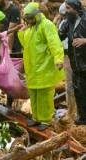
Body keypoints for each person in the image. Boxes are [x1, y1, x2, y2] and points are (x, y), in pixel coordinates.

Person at [18, 2, 64, 131]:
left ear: (37, 15)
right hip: (33, 68)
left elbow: (54, 42)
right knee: (34, 94)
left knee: (45, 95)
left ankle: (46, 119)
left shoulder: (47, 25)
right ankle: (36, 118)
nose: (28, 21)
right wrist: (21, 33)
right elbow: (26, 45)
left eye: (30, 18)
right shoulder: (31, 28)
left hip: (44, 67)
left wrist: (58, 58)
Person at [59, 0, 86, 125]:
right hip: (76, 65)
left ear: (76, 8)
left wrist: (85, 40)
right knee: (78, 91)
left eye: (68, 8)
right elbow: (58, 37)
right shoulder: (68, 21)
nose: (66, 11)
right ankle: (83, 118)